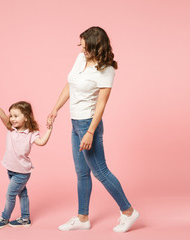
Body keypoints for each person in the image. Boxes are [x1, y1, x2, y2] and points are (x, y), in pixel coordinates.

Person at [47, 26, 139, 233]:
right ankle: (82, 218)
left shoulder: (106, 70)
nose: (82, 50)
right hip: (75, 123)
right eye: (81, 46)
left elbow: (101, 105)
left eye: (86, 48)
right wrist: (55, 109)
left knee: (101, 171)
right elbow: (70, 84)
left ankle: (128, 212)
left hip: (89, 124)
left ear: (97, 47)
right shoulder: (81, 59)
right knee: (82, 173)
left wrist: (89, 131)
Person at [0, 101, 53, 229]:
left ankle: (5, 218)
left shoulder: (31, 134)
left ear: (26, 117)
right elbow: (2, 115)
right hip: (11, 169)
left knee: (10, 194)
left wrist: (49, 129)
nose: (12, 119)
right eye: (11, 116)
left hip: (22, 172)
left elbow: (42, 142)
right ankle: (25, 218)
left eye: (16, 116)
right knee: (22, 193)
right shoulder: (11, 128)